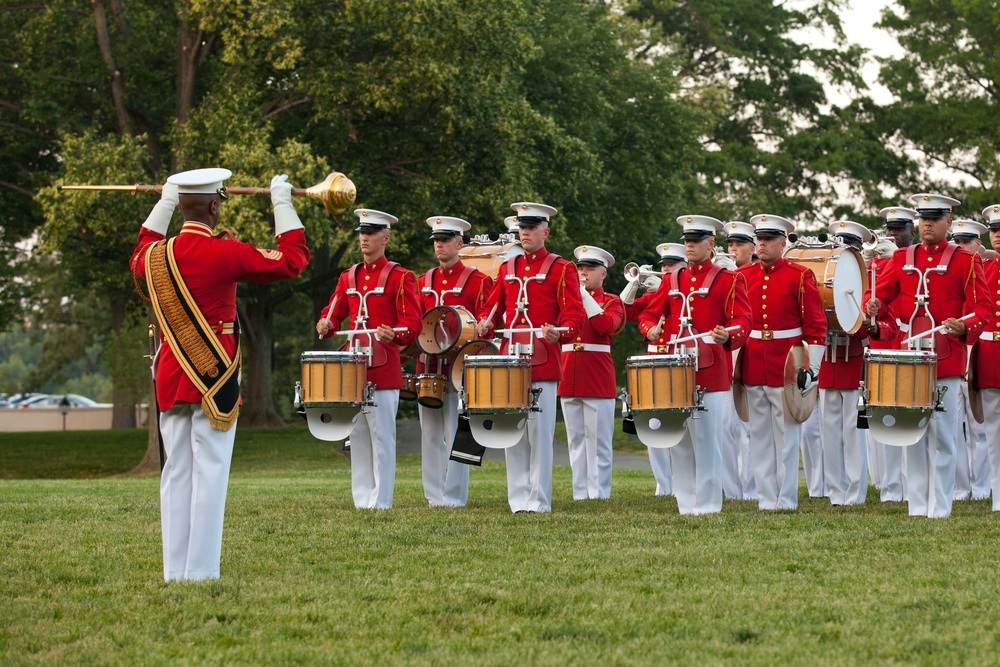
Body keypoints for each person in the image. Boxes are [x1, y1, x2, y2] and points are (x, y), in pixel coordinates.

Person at [130, 168, 310, 581]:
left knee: (175, 474)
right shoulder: (225, 252)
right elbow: (292, 260)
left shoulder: (154, 258)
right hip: (213, 380)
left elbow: (140, 247)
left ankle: (175, 571)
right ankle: (201, 572)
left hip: (171, 376)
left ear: (181, 206)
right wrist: (282, 203)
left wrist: (164, 202)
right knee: (209, 475)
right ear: (215, 206)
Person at [865, 193, 990, 518]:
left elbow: (984, 308)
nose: (928, 224)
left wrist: (964, 327)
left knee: (943, 435)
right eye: (923, 218)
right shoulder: (902, 257)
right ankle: (918, 506)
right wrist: (873, 305)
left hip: (945, 356)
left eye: (935, 218)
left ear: (949, 222)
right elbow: (880, 296)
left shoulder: (966, 260)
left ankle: (941, 507)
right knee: (913, 433)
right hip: (910, 356)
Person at [477, 202, 587, 513]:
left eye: (531, 227)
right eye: (522, 227)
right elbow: (492, 307)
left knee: (538, 433)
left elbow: (575, 316)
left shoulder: (561, 268)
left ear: (545, 232)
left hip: (542, 359)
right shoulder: (507, 268)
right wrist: (485, 323)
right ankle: (518, 500)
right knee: (511, 429)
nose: (524, 232)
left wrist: (560, 333)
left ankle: (539, 500)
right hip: (510, 358)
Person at [638, 215, 751, 514]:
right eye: (687, 240)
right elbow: (648, 314)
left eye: (696, 240)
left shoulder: (728, 279)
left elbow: (743, 321)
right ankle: (686, 504)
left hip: (711, 371)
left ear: (710, 243)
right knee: (679, 440)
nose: (689, 245)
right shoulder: (671, 280)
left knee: (708, 441)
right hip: (675, 370)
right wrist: (650, 329)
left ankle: (709, 505)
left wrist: (728, 334)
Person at [317, 209, 422, 510]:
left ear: (385, 238)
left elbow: (414, 323)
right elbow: (334, 313)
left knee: (382, 436)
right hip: (353, 366)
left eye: (371, 233)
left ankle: (382, 500)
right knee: (357, 435)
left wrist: (395, 333)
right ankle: (362, 499)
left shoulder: (401, 277)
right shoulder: (347, 276)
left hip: (383, 366)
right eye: (362, 232)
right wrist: (325, 324)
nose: (364, 237)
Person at [737, 214, 827, 510]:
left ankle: (786, 499)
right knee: (760, 437)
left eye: (768, 239)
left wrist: (811, 369)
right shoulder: (743, 276)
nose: (762, 244)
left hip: (788, 365)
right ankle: (766, 499)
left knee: (787, 437)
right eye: (759, 239)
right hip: (754, 363)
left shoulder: (800, 276)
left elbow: (815, 326)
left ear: (782, 242)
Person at [417, 216, 493, 507]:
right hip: (427, 368)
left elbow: (488, 324)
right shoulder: (423, 281)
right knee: (430, 434)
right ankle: (434, 496)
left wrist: (483, 327)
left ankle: (454, 496)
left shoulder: (478, 281)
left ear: (460, 244)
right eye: (436, 240)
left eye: (446, 240)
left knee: (457, 432)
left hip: (460, 368)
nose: (439, 245)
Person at [820, 221, 884, 506]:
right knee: (830, 431)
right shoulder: (825, 278)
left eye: (850, 247)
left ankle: (855, 492)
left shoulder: (869, 279)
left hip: (854, 359)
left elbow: (875, 325)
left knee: (853, 430)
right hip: (828, 359)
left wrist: (865, 323)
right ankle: (835, 490)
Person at [558, 245, 625, 500]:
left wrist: (583, 296)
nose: (583, 273)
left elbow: (606, 326)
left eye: (590, 269)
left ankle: (599, 493)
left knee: (599, 442)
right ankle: (580, 492)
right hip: (569, 372)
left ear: (603, 274)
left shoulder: (612, 301)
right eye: (580, 268)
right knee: (576, 440)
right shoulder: (567, 300)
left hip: (597, 376)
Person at [623, 242, 686, 497]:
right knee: (653, 423)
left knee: (679, 422)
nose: (666, 269)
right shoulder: (651, 296)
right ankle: (663, 483)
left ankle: (682, 480)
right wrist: (634, 284)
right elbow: (624, 311)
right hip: (653, 359)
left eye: (672, 265)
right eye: (664, 266)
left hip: (678, 357)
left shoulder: (686, 294)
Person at [869, 206, 917, 502]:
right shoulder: (882, 264)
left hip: (916, 342)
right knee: (887, 419)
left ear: (912, 231)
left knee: (914, 417)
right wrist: (872, 308)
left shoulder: (915, 261)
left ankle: (913, 485)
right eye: (891, 229)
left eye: (900, 229)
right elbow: (874, 298)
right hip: (886, 344)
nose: (894, 234)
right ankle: (891, 487)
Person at [948, 218, 991, 501]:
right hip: (954, 351)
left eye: (966, 242)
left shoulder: (989, 268)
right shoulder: (951, 270)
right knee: (953, 425)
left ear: (978, 244)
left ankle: (982, 486)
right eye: (958, 241)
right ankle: (960, 488)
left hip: (980, 351)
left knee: (979, 425)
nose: (961, 246)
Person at [721, 221, 758, 502]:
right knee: (726, 426)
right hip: (728, 351)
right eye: (730, 244)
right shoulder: (721, 275)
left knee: (750, 425)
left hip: (753, 350)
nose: (733, 249)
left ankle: (752, 488)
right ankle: (732, 489)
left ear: (752, 247)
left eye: (740, 244)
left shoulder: (757, 273)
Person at [976, 204, 1000, 510]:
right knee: (992, 429)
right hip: (990, 355)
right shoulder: (984, 269)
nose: (997, 235)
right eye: (994, 230)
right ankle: (998, 494)